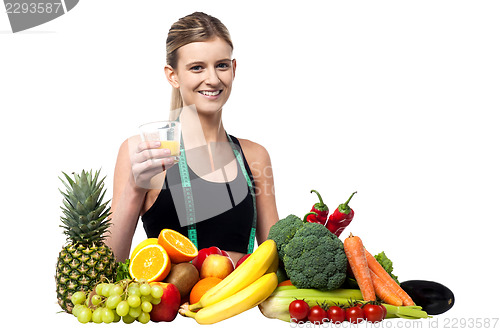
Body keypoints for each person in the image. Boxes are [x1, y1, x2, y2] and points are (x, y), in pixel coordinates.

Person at [106, 12, 279, 264]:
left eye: (221, 65)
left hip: (239, 304)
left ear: (233, 68)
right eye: (197, 67)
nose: (213, 79)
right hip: (167, 304)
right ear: (172, 75)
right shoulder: (142, 151)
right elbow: (109, 264)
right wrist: (134, 188)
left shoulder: (255, 156)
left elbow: (274, 258)